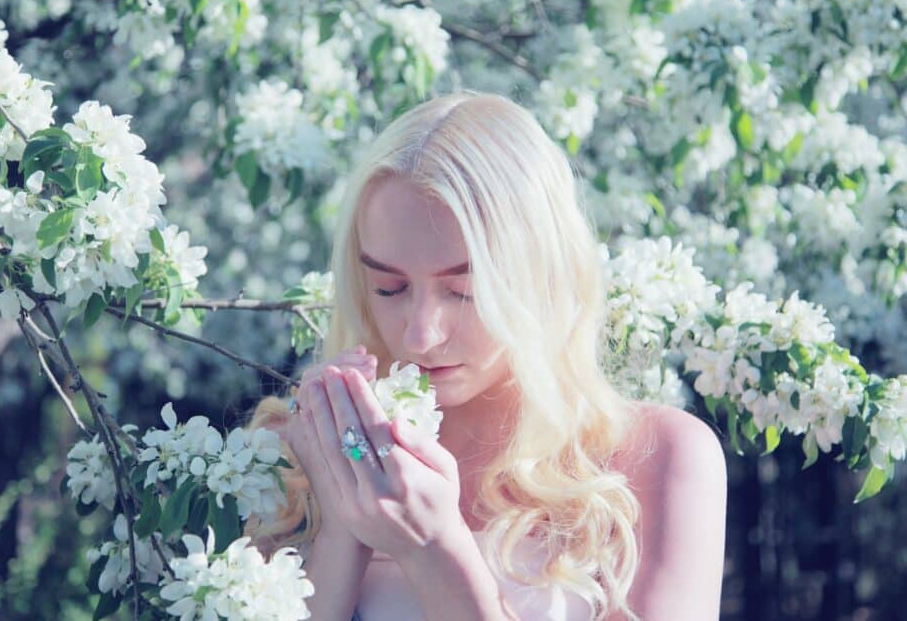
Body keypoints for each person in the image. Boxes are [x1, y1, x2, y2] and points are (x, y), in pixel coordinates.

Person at [244, 92, 727, 620]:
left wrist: (434, 550)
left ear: (544, 273)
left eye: (466, 291)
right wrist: (342, 530)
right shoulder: (293, 456)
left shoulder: (657, 459)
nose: (421, 336)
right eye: (389, 287)